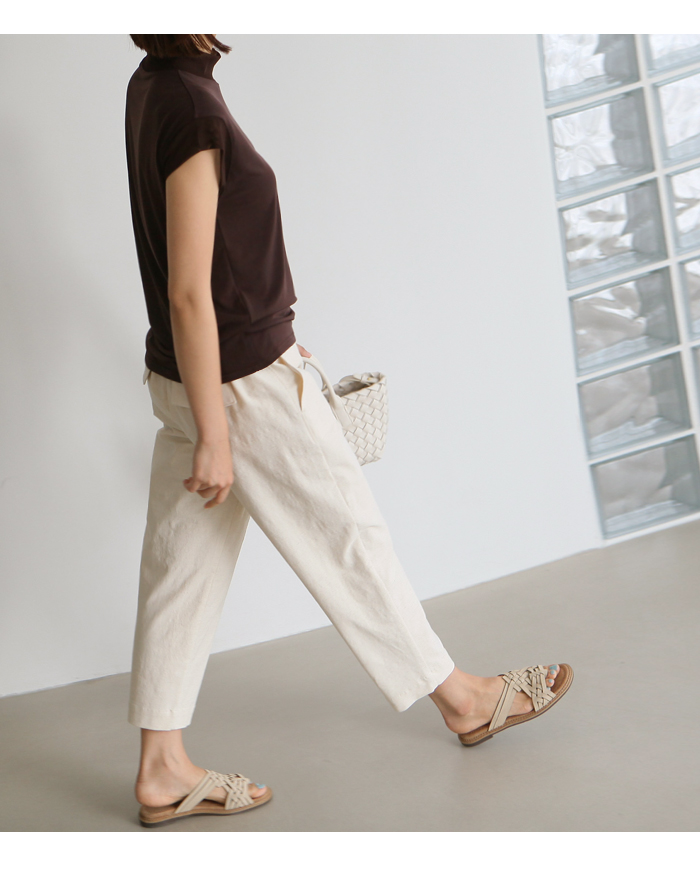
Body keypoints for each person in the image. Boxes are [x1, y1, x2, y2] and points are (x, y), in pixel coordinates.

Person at [124, 33, 573, 827]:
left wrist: (232, 387)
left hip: (197, 375)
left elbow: (202, 278)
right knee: (349, 536)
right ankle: (465, 699)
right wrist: (220, 427)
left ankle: (162, 767)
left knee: (180, 569)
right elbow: (191, 291)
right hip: (240, 384)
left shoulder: (156, 84)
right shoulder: (190, 107)